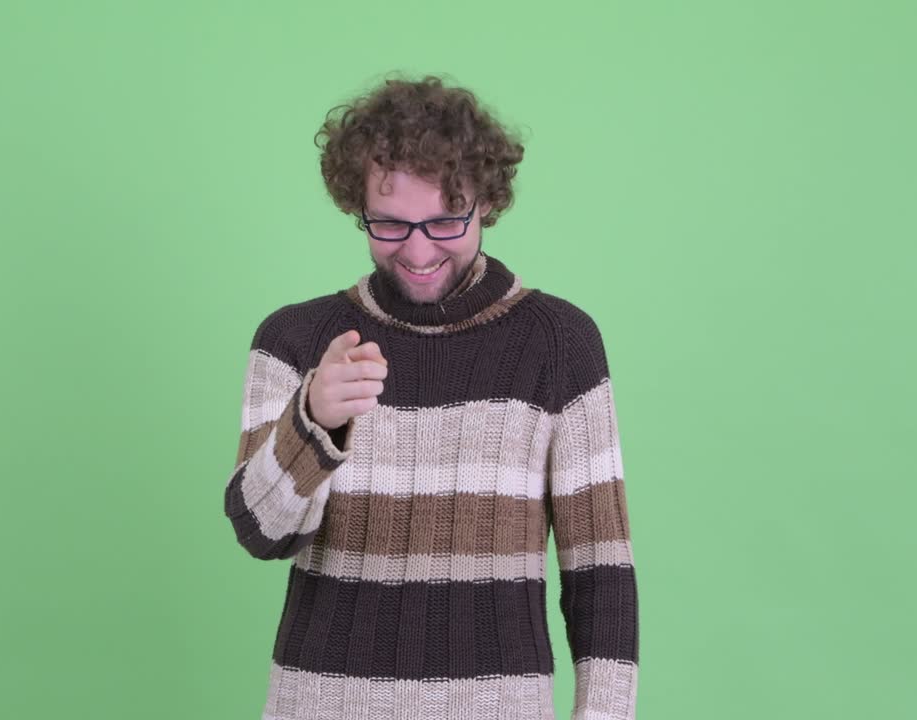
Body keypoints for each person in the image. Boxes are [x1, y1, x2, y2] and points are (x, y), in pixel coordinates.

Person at [224, 74, 639, 720]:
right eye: (389, 225)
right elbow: (259, 530)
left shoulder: (561, 344)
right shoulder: (296, 341)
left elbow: (601, 576)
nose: (418, 250)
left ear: (486, 202)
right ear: (355, 207)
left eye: (445, 220)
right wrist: (314, 423)